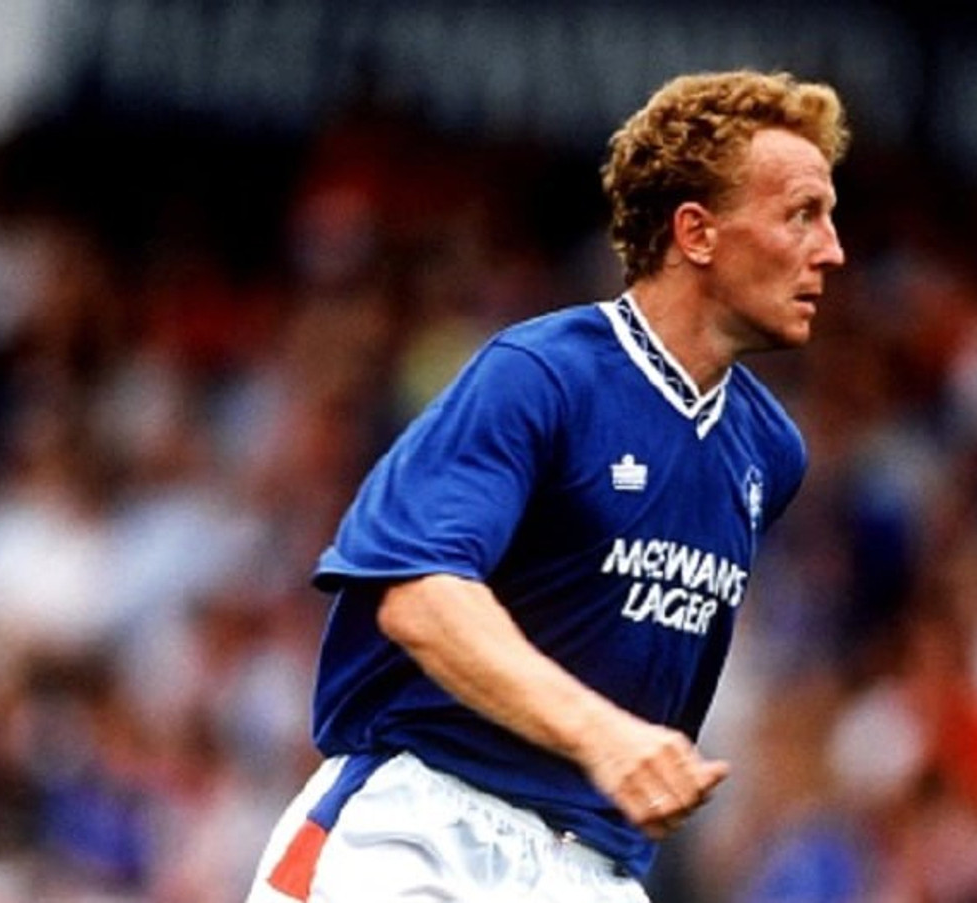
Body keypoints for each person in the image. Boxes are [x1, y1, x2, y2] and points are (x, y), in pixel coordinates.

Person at [244, 68, 849, 902]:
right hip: (423, 832)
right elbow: (419, 598)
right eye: (802, 214)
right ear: (697, 232)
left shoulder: (768, 450)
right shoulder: (538, 376)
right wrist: (601, 734)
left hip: (593, 869)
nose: (832, 249)